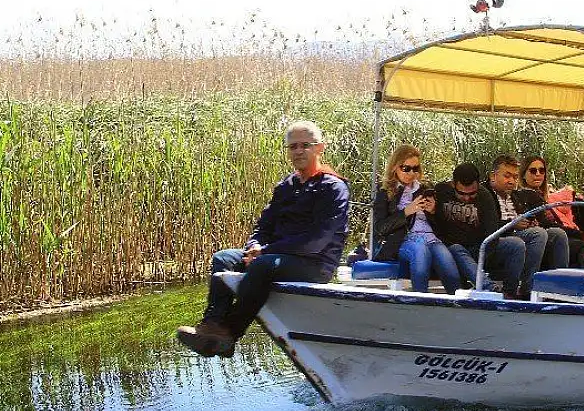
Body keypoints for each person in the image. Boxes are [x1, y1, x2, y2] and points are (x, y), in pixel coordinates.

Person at [176, 120, 349, 357]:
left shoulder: (333, 187)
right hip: (275, 256)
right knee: (224, 258)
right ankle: (212, 325)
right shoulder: (287, 186)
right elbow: (264, 225)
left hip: (314, 263)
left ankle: (230, 332)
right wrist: (254, 245)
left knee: (264, 265)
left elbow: (317, 241)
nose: (298, 151)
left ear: (320, 148)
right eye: (293, 146)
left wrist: (265, 252)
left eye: (305, 145)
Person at [372, 145, 461, 293]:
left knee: (448, 266)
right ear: (395, 167)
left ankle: (459, 306)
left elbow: (442, 226)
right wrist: (406, 211)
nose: (411, 173)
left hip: (431, 238)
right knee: (419, 249)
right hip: (403, 240)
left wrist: (433, 211)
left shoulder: (425, 188)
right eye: (406, 168)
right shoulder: (384, 190)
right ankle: (420, 299)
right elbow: (380, 227)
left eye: (416, 168)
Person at [432, 163, 523, 292]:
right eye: (461, 193)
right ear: (453, 184)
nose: (467, 198)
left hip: (478, 248)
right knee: (456, 249)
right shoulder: (441, 191)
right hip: (451, 248)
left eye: (472, 194)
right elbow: (433, 223)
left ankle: (510, 293)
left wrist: (479, 257)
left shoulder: (485, 196)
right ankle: (489, 288)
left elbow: (492, 234)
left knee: (516, 244)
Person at [482, 155, 549, 299]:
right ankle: (510, 293)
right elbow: (487, 225)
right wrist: (512, 225)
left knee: (548, 233)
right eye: (507, 176)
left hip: (516, 233)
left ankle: (535, 288)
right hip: (495, 239)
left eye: (514, 177)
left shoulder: (516, 196)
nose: (511, 181)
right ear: (493, 176)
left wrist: (528, 223)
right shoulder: (484, 195)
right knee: (518, 243)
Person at [520, 156, 584, 266]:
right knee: (580, 244)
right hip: (538, 239)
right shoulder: (527, 194)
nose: (538, 174)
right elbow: (545, 224)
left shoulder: (541, 196)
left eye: (541, 170)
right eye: (533, 170)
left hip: (549, 235)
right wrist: (580, 234)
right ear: (523, 175)